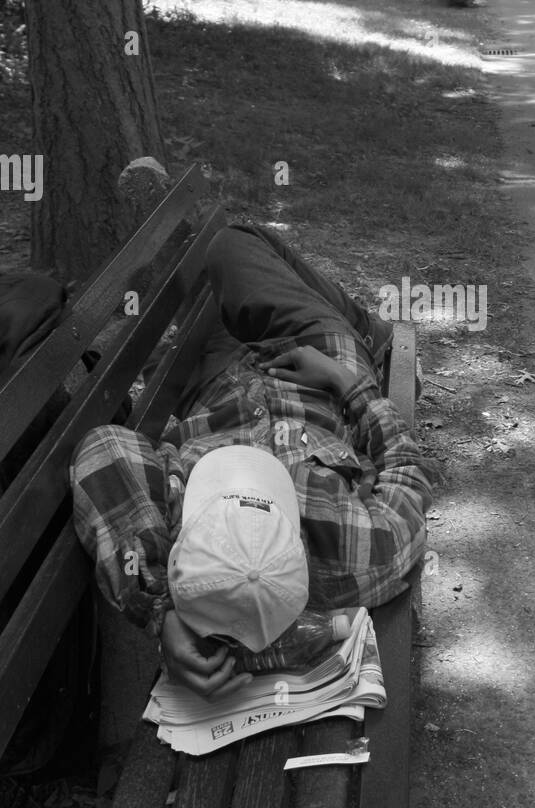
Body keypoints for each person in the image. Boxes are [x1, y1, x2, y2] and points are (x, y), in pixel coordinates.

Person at [69, 224, 434, 697]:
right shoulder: (358, 551)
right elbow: (407, 467)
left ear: (184, 552)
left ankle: (296, 311)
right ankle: (364, 329)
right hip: (316, 352)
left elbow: (103, 448)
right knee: (231, 242)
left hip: (215, 378)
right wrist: (347, 384)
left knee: (207, 275)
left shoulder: (171, 540)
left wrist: (159, 612)